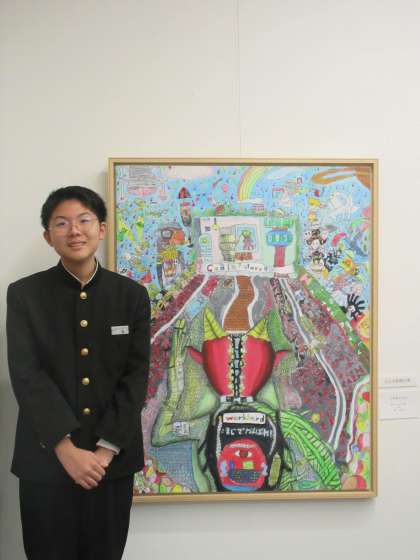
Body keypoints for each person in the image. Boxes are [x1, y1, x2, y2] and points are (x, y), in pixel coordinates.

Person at [6, 186, 151, 560]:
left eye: (84, 220)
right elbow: (27, 375)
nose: (74, 231)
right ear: (47, 236)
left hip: (110, 466)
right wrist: (65, 449)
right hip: (45, 463)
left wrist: (104, 452)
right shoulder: (24, 295)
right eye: (62, 223)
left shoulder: (131, 296)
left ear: (101, 229)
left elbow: (135, 378)